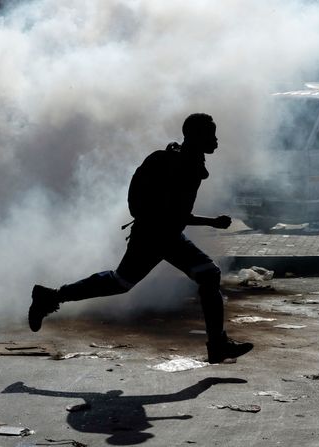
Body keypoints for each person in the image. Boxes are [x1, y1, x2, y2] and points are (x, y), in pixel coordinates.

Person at [29, 113, 253, 364]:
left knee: (125, 282)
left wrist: (209, 222)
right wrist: (208, 222)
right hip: (155, 237)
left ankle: (51, 297)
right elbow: (170, 212)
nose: (216, 140)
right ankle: (50, 297)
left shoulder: (187, 162)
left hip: (165, 235)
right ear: (195, 136)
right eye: (211, 135)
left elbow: (175, 213)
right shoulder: (177, 164)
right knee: (126, 282)